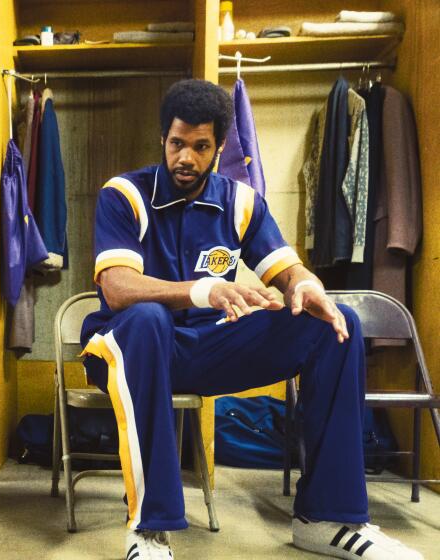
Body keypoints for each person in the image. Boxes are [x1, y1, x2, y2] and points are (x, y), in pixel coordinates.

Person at [80, 80, 423, 560]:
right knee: (148, 318)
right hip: (124, 349)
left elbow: (287, 270)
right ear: (163, 139)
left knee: (332, 322)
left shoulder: (241, 202)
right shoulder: (125, 194)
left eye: (200, 147)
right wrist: (206, 290)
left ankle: (327, 518)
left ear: (219, 148)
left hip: (202, 349)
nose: (186, 158)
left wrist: (306, 286)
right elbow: (116, 288)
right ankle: (149, 528)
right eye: (177, 143)